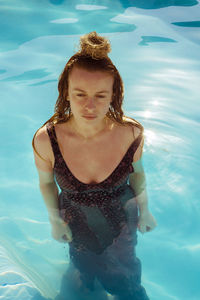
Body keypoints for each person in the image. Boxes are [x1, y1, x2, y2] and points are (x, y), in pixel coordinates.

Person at [32, 31, 157, 300]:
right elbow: (45, 183)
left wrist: (145, 211)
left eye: (101, 96)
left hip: (122, 219)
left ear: (115, 94)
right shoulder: (47, 139)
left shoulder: (131, 133)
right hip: (75, 219)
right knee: (84, 275)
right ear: (66, 92)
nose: (90, 106)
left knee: (126, 281)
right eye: (80, 94)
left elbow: (138, 175)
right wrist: (54, 220)